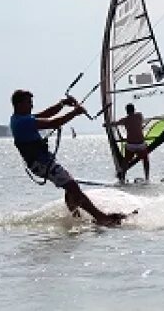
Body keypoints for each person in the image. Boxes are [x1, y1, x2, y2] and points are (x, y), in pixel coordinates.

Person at [10, 89, 127, 226]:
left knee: (70, 187)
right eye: (28, 103)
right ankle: (101, 218)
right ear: (19, 105)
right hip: (41, 164)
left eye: (31, 103)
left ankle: (76, 218)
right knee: (72, 186)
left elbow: (46, 114)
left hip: (42, 163)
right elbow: (53, 122)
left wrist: (62, 104)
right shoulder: (23, 122)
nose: (31, 106)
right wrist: (75, 112)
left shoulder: (19, 118)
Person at [111, 103, 150, 182]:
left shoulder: (125, 119)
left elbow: (115, 123)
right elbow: (141, 122)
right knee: (145, 160)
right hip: (140, 144)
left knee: (126, 161)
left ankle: (122, 178)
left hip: (131, 144)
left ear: (126, 111)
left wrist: (107, 124)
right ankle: (147, 178)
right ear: (134, 109)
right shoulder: (139, 115)